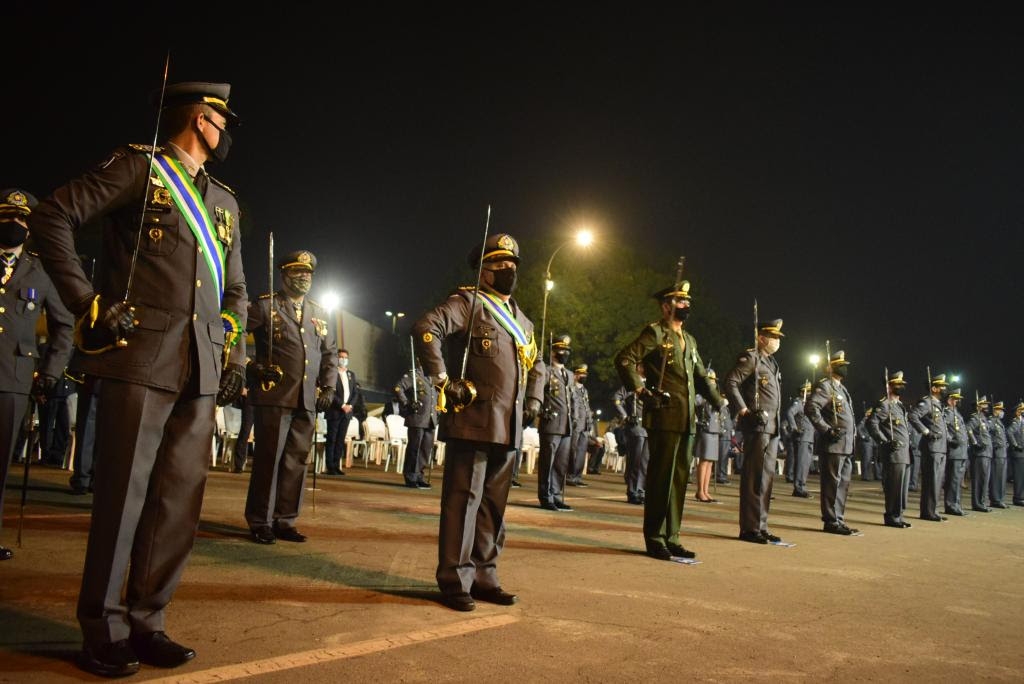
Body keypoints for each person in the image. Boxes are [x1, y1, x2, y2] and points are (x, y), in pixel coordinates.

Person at [29, 82, 248, 677]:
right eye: (224, 121)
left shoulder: (225, 204)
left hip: (198, 367)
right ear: (202, 120)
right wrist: (85, 302)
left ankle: (149, 620)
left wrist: (230, 345)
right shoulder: (138, 169)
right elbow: (53, 215)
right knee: (124, 496)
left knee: (177, 502)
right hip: (140, 358)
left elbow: (237, 290)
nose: (229, 133)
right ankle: (103, 629)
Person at [413, 232, 540, 612]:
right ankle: (454, 579)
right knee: (463, 502)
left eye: (512, 265)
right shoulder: (468, 303)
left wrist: (532, 398)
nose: (508, 271)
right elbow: (425, 328)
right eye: (499, 265)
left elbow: (537, 367)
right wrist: (441, 380)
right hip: (472, 418)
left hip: (508, 424)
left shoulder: (524, 322)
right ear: (483, 271)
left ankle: (485, 576)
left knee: (493, 507)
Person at [614, 280, 723, 560]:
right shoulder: (655, 333)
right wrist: (640, 389)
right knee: (660, 480)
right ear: (665, 307)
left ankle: (672, 535)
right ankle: (654, 538)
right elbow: (625, 358)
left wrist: (718, 400)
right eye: (679, 302)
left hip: (687, 419)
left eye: (687, 302)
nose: (685, 306)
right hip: (663, 415)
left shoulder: (690, 340)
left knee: (678, 480)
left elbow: (699, 376)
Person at [0, 188, 74, 561]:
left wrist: (50, 371)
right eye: (6, 217)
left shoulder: (41, 272)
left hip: (13, 376)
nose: (13, 223)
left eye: (20, 219)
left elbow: (65, 326)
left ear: (29, 226)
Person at [244, 250, 337, 545]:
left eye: (308, 273)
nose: (304, 277)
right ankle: (260, 520)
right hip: (275, 395)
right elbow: (231, 332)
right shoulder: (265, 306)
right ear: (284, 274)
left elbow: (329, 353)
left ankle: (285, 519)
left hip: (306, 398)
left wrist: (329, 386)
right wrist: (252, 367)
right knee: (269, 460)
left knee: (296, 461)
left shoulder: (319, 312)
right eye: (297, 272)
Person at [724, 318, 783, 544]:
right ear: (761, 337)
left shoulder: (771, 362)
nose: (777, 341)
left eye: (778, 338)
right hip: (757, 425)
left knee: (766, 479)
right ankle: (749, 527)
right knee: (754, 478)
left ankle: (761, 525)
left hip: (771, 427)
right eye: (774, 337)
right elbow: (730, 382)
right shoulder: (751, 358)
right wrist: (745, 410)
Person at [806, 350, 858, 535]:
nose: (844, 368)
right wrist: (826, 429)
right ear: (831, 367)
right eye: (840, 365)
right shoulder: (825, 386)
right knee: (831, 484)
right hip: (833, 443)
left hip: (845, 445)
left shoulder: (841, 389)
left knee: (842, 484)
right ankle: (830, 520)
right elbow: (811, 408)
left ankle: (838, 518)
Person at [528, 334, 577, 511]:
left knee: (560, 463)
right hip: (551, 422)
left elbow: (573, 400)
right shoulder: (546, 371)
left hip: (566, 425)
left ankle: (556, 494)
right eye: (561, 350)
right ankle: (545, 496)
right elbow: (536, 392)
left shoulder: (570, 376)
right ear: (553, 352)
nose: (564, 353)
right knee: (548, 462)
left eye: (566, 351)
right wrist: (541, 411)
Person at [868, 371, 913, 528]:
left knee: (902, 488)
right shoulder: (884, 405)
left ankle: (898, 515)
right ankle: (892, 517)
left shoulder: (899, 406)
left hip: (904, 453)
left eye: (901, 384)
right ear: (889, 386)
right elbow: (871, 424)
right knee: (893, 488)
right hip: (893, 453)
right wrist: (884, 441)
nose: (900, 387)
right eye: (897, 384)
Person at [908, 373, 950, 522]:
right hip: (932, 447)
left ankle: (932, 510)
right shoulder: (927, 403)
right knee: (932, 480)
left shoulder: (938, 405)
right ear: (934, 388)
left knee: (937, 480)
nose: (945, 389)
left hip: (940, 447)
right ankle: (928, 512)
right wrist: (926, 432)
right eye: (942, 387)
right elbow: (912, 416)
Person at [394, 365, 438, 488]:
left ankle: (419, 475)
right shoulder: (413, 375)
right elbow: (398, 388)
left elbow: (435, 397)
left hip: (430, 420)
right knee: (415, 449)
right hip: (417, 418)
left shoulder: (431, 377)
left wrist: (437, 413)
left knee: (425, 450)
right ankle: (410, 476)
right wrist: (407, 403)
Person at [324, 348, 364, 474]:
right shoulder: (333, 373)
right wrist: (342, 405)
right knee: (332, 439)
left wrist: (350, 405)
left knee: (341, 440)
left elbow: (355, 393)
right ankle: (330, 466)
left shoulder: (351, 374)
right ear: (337, 358)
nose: (344, 360)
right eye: (341, 357)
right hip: (335, 411)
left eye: (346, 358)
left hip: (347, 412)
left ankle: (336, 465)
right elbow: (331, 392)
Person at [613, 375, 649, 505]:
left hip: (648, 428)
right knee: (635, 462)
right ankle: (633, 491)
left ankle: (641, 491)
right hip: (636, 427)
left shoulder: (651, 383)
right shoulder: (632, 383)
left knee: (645, 464)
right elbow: (617, 398)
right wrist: (625, 416)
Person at [693, 371, 722, 503]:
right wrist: (705, 394)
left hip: (714, 430)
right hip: (705, 429)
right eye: (710, 380)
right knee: (704, 462)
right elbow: (694, 401)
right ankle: (700, 491)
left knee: (710, 463)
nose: (713, 382)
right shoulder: (702, 395)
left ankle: (705, 490)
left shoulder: (715, 395)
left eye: (714, 380)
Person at [785, 380, 814, 498]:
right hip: (801, 436)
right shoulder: (799, 402)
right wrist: (794, 427)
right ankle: (799, 488)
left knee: (805, 463)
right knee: (801, 463)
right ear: (803, 392)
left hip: (808, 437)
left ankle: (801, 486)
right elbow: (790, 412)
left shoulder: (808, 404)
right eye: (809, 392)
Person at [566, 363, 593, 487]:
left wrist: (590, 422)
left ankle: (577, 476)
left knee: (582, 451)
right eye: (581, 374)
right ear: (575, 375)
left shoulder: (585, 390)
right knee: (573, 450)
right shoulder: (570, 388)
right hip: (575, 423)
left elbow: (587, 407)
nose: (583, 376)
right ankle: (570, 476)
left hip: (585, 425)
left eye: (585, 374)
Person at [967, 396, 992, 512]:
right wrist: (975, 442)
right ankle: (977, 503)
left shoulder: (983, 419)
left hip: (986, 453)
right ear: (978, 406)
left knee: (984, 479)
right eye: (984, 405)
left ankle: (982, 502)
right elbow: (968, 429)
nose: (987, 407)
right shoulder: (975, 418)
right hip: (980, 452)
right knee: (978, 479)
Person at [988, 401, 1009, 508]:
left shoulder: (999, 422)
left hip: (1003, 453)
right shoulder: (991, 421)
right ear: (995, 410)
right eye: (1000, 410)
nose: (1002, 412)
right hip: (997, 453)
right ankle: (995, 499)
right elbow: (987, 433)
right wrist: (994, 444)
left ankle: (1000, 498)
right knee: (996, 477)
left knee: (1002, 477)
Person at [1007, 402, 1024, 506]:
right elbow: (1009, 432)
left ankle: (1021, 496)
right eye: (1021, 410)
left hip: (1022, 453)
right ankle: (1018, 498)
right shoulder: (1016, 422)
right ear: (1017, 412)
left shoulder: (1022, 421)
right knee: (1019, 476)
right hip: (1018, 453)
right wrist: (1015, 445)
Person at [855, 408, 876, 482]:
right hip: (866, 442)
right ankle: (865, 476)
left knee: (869, 459)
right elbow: (858, 428)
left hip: (870, 443)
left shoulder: (870, 419)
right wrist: (864, 437)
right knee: (866, 459)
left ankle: (868, 475)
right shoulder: (865, 419)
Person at [717, 403, 734, 484]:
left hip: (727, 435)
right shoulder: (721, 407)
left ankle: (721, 474)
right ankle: (721, 476)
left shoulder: (726, 409)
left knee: (724, 457)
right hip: (723, 435)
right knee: (722, 458)